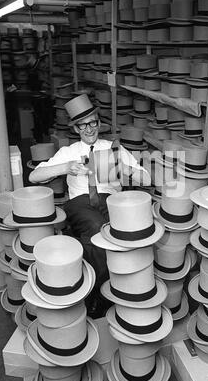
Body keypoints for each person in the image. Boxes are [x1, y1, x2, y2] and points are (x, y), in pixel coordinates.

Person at [29, 94, 151, 318]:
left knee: (115, 233)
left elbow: (146, 179)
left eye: (92, 123)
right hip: (80, 203)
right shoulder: (68, 152)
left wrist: (123, 169)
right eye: (82, 125)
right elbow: (35, 176)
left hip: (113, 202)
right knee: (98, 229)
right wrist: (65, 167)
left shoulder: (114, 148)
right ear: (76, 129)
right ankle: (100, 297)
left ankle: (99, 290)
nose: (89, 129)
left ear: (98, 123)